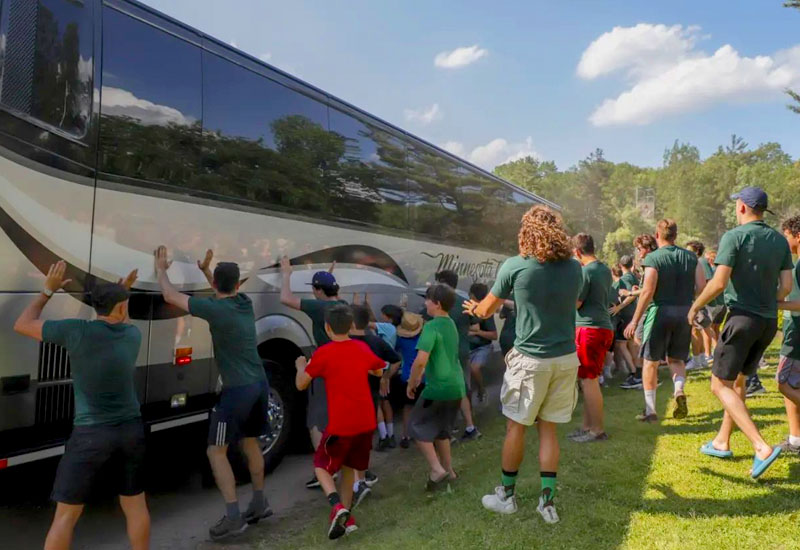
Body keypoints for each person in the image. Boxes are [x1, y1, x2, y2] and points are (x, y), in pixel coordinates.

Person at [14, 262, 150, 550]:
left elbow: (22, 324)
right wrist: (121, 293)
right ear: (123, 308)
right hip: (130, 431)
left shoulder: (77, 333)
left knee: (66, 516)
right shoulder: (132, 337)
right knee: (135, 505)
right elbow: (118, 318)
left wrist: (46, 291)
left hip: (90, 435)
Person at [465, 205, 583, 525]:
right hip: (564, 359)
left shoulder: (515, 265)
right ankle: (547, 502)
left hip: (531, 360)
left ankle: (506, 496)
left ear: (526, 232)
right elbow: (568, 303)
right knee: (549, 430)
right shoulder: (575, 268)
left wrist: (476, 308)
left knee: (516, 426)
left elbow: (486, 307)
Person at [154, 247, 271, 540]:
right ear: (238, 284)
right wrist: (207, 271)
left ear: (217, 285)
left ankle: (233, 517)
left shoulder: (215, 309)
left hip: (236, 391)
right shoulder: (244, 303)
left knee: (215, 451)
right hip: (259, 384)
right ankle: (259, 502)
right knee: (251, 442)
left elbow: (170, 296)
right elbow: (223, 290)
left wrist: (160, 270)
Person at [689, 187, 791, 478]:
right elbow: (784, 287)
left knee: (719, 385)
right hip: (768, 321)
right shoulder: (780, 241)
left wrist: (695, 305)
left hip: (742, 319)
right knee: (737, 382)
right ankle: (722, 441)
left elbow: (719, 283)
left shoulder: (734, 236)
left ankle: (761, 447)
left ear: (743, 207)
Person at [294, 305, 386, 539]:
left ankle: (336, 505)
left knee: (321, 465)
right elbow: (378, 370)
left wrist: (300, 366)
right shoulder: (361, 347)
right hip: (365, 422)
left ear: (327, 327)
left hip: (341, 424)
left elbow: (301, 384)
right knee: (348, 468)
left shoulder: (323, 353)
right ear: (352, 325)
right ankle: (348, 518)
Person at [624, 220, 705, 423]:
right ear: (675, 235)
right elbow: (702, 287)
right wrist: (694, 308)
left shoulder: (653, 258)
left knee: (650, 362)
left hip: (659, 312)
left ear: (657, 235)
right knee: (676, 359)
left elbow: (648, 291)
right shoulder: (691, 257)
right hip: (684, 312)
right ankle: (678, 390)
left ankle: (650, 410)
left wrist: (634, 321)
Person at [279, 257, 349, 489]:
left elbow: (285, 299)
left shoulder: (318, 307)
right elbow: (327, 295)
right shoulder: (342, 306)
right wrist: (327, 274)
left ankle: (325, 469)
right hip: (344, 366)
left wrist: (286, 273)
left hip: (324, 368)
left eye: (314, 289)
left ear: (319, 291)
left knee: (316, 422)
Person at [406, 284, 466, 491]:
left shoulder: (431, 327)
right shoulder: (451, 324)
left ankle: (436, 469)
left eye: (427, 300)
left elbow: (421, 360)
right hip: (456, 387)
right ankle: (449, 470)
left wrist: (412, 382)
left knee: (414, 425)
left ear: (437, 304)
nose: (425, 303)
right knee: (442, 431)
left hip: (437, 388)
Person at [349, 305, 402, 505]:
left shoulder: (348, 343)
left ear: (352, 323)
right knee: (364, 436)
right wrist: (386, 377)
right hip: (370, 395)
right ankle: (362, 474)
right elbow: (396, 360)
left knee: (353, 436)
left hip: (352, 395)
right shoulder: (376, 341)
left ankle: (357, 480)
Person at [569, 233, 614, 443]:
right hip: (603, 327)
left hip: (589, 329)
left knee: (589, 380)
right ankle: (587, 426)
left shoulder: (585, 272)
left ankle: (597, 430)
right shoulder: (604, 269)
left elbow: (577, 303)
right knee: (588, 378)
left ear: (577, 252)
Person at [434, 270, 480, 441]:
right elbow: (475, 328)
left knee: (445, 391)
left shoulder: (440, 304)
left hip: (445, 354)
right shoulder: (464, 303)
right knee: (463, 388)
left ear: (443, 283)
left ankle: (449, 427)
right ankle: (470, 425)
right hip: (463, 350)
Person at [776, 214, 800, 455]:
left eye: (787, 237)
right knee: (793, 383)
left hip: (797, 334)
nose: (786, 242)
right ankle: (795, 440)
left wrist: (775, 304)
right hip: (794, 330)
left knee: (783, 384)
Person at [391, 311, 424, 448]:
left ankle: (406, 435)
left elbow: (396, 351)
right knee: (424, 405)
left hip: (407, 377)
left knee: (408, 407)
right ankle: (425, 432)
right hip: (423, 376)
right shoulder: (423, 338)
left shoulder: (400, 340)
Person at [685, 240, 715, 369]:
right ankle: (701, 358)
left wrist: (698, 300)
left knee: (695, 330)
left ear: (696, 251)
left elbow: (706, 283)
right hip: (698, 301)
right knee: (700, 329)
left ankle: (697, 360)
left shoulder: (699, 262)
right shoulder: (696, 262)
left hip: (696, 302)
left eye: (688, 250)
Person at [467, 282, 498, 404]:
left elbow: (494, 335)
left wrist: (478, 332)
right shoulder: (466, 308)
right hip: (467, 346)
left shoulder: (486, 312)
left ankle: (481, 389)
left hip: (483, 347)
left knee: (474, 368)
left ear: (472, 295)